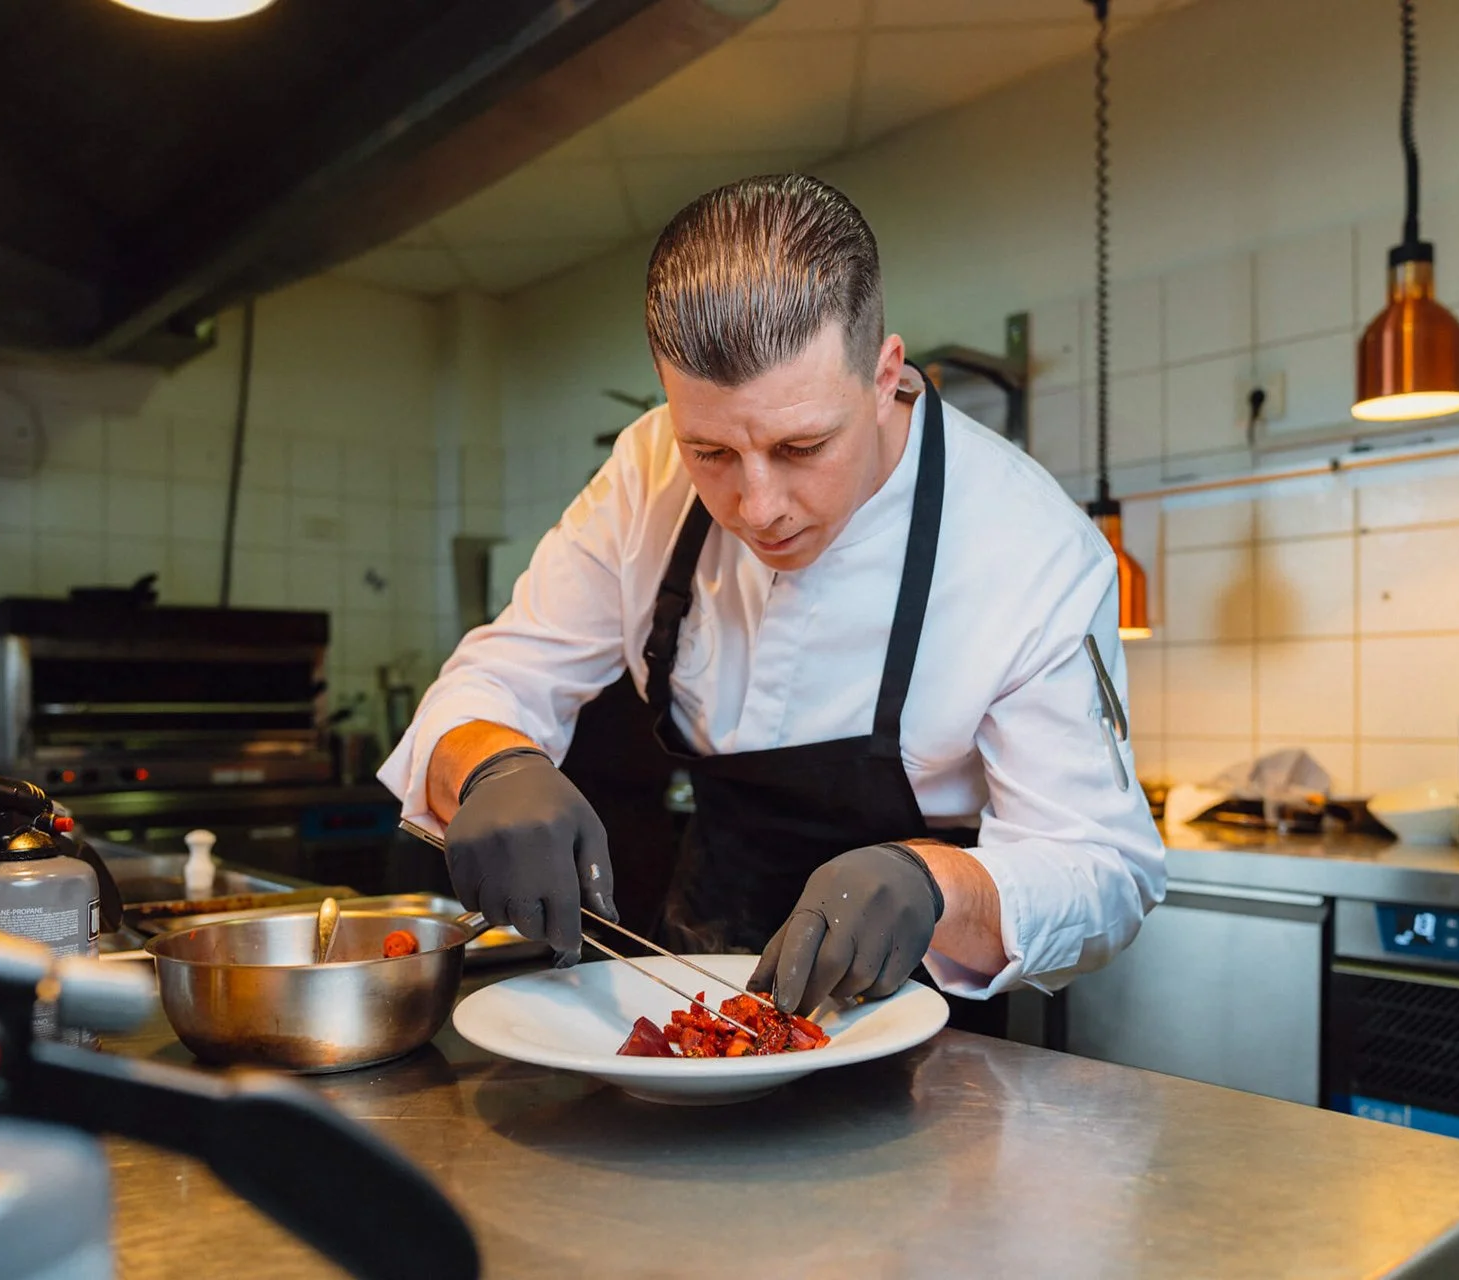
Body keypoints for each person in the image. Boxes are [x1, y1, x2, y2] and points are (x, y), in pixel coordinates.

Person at [379, 174, 1165, 1024]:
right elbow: (499, 674)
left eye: (801, 446)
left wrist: (931, 883)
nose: (758, 507)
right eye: (710, 451)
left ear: (884, 374)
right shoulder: (645, 473)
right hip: (702, 968)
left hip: (931, 1017)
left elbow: (1103, 870)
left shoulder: (1029, 546)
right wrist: (493, 762)